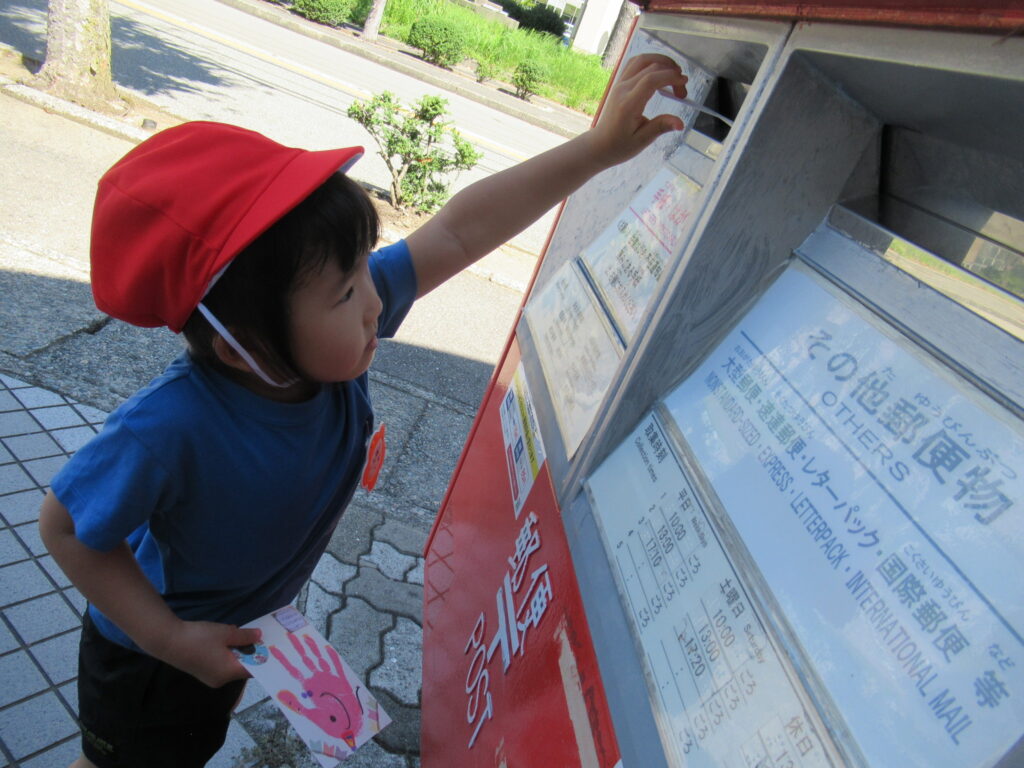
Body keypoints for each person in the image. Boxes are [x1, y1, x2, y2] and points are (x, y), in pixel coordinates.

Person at [39, 53, 688, 768]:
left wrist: (595, 152)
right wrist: (169, 638)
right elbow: (65, 526)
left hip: (236, 637)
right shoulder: (170, 428)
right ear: (241, 347)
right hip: (150, 660)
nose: (376, 301)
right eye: (346, 293)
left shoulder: (320, 342)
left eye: (362, 268)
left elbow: (458, 232)